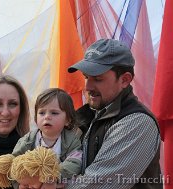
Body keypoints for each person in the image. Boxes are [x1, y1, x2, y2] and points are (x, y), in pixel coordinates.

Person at [67, 38, 162, 189]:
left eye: (98, 79)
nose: (88, 86)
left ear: (124, 80)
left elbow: (98, 185)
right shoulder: (86, 114)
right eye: (86, 77)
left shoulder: (137, 122)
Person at [12, 88, 83, 189]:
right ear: (36, 118)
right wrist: (19, 184)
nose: (47, 117)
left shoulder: (72, 140)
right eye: (42, 113)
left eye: (54, 113)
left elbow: (75, 162)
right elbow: (14, 163)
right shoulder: (27, 140)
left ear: (68, 120)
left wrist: (52, 177)